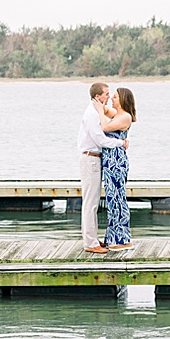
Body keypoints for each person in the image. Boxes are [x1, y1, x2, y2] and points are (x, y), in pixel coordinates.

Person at [76, 82, 127, 253]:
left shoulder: (96, 111)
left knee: (93, 202)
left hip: (95, 159)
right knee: (90, 203)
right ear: (98, 96)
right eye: (106, 94)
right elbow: (101, 140)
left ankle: (92, 239)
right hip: (90, 159)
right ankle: (90, 244)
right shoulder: (92, 114)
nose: (109, 96)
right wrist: (121, 143)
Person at [99, 86, 137, 248]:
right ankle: (113, 237)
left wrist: (99, 112)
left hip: (117, 162)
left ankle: (122, 239)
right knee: (112, 198)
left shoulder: (125, 117)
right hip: (110, 162)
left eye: (114, 97)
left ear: (122, 100)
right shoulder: (118, 114)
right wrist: (99, 102)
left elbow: (105, 127)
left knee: (117, 199)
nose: (112, 99)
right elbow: (107, 111)